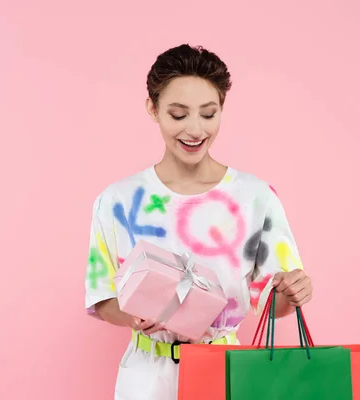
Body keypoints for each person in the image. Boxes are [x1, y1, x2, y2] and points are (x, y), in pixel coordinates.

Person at [84, 44, 313, 400]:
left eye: (209, 114)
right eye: (178, 115)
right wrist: (133, 316)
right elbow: (102, 298)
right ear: (152, 108)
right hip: (146, 376)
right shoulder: (117, 201)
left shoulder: (255, 197)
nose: (195, 130)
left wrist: (292, 293)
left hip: (226, 373)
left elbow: (274, 304)